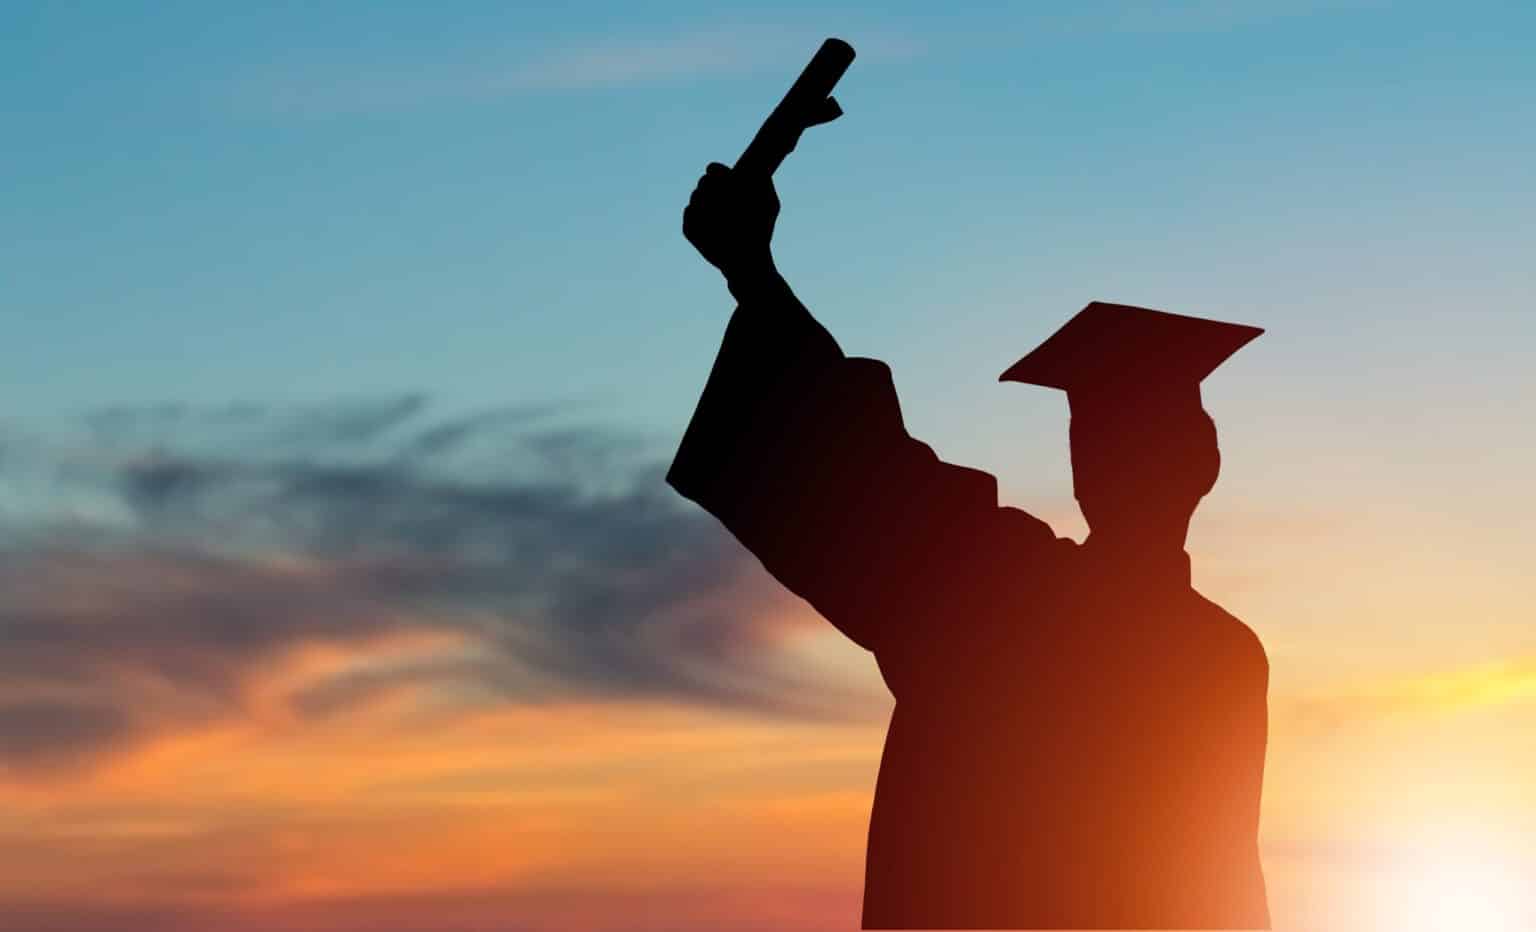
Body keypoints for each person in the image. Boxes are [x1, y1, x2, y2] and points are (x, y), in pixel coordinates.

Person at [669, 162, 1271, 930]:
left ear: (1085, 465)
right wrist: (753, 274)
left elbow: (857, 469)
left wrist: (753, 271)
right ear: (1206, 460)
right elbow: (1226, 896)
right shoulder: (1223, 655)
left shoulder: (1003, 596)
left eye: (1101, 436)